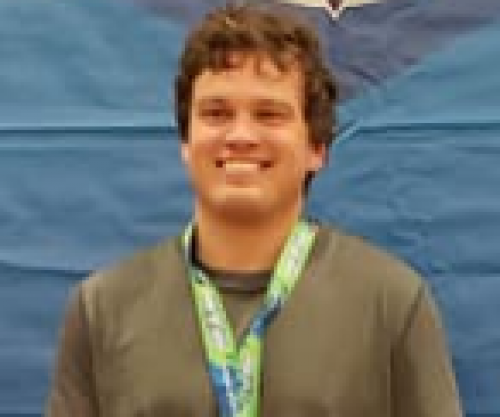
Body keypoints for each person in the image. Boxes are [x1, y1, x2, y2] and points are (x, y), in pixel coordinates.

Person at [46, 4, 463, 417]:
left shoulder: (392, 303)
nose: (241, 135)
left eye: (269, 115)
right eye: (216, 114)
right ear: (186, 143)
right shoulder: (102, 308)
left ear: (317, 148)